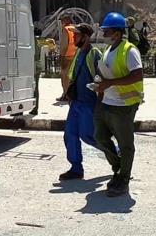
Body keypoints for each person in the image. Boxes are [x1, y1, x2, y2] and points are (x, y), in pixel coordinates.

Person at [94, 12, 144, 197]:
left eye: (107, 30)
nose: (104, 33)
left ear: (116, 32)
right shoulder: (109, 50)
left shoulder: (129, 50)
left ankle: (123, 178)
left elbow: (137, 75)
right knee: (100, 137)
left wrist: (110, 83)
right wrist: (99, 83)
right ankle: (118, 166)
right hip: (106, 100)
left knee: (125, 144)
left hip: (124, 104)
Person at [59, 23, 102, 181]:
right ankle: (76, 169)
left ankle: (117, 153)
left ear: (86, 37)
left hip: (88, 103)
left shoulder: (94, 53)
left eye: (77, 35)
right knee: (70, 134)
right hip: (76, 103)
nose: (74, 37)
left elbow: (101, 78)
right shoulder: (78, 52)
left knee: (88, 136)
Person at [57, 16, 78, 102]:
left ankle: (65, 94)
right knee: (70, 77)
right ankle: (69, 94)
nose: (61, 23)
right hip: (74, 55)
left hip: (67, 56)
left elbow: (64, 45)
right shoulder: (75, 28)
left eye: (62, 21)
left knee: (64, 77)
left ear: (65, 21)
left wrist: (61, 57)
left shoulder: (66, 30)